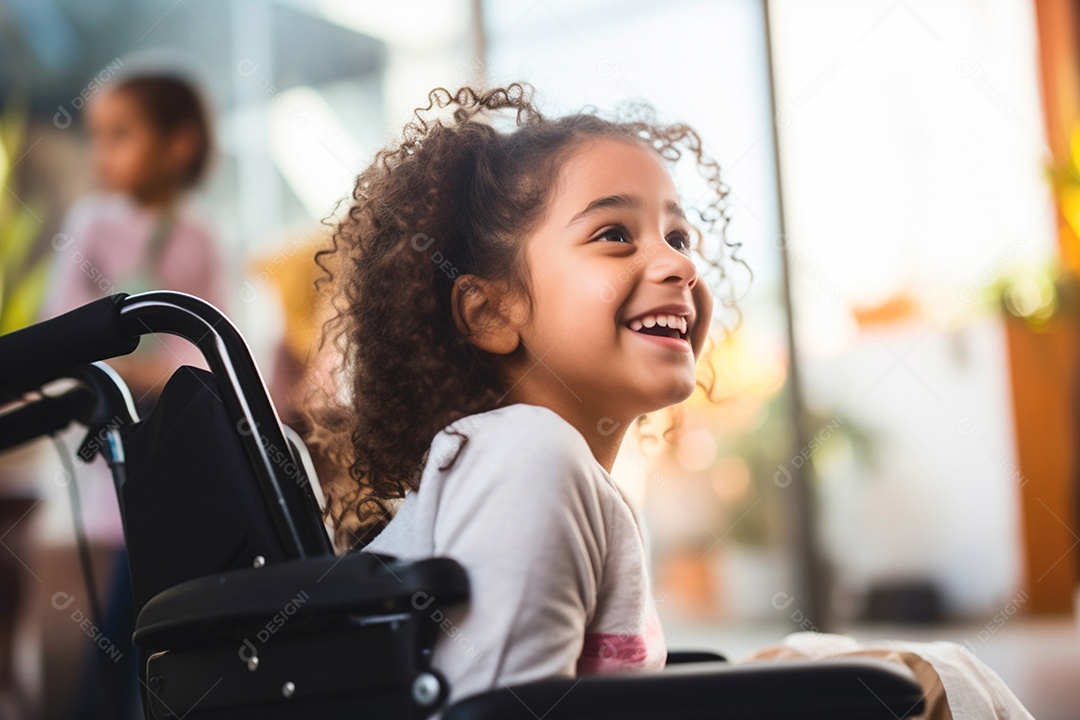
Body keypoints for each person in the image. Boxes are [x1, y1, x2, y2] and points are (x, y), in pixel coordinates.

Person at [301, 82, 1034, 719]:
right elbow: (499, 712)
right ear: (492, 312)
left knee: (881, 666)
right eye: (615, 235)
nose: (679, 261)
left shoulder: (542, 464)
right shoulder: (528, 456)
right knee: (927, 684)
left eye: (680, 235)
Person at [39, 69, 225, 720]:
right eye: (99, 138)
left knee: (155, 608)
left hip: (170, 439)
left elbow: (209, 337)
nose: (103, 153)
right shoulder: (92, 224)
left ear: (177, 145)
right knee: (118, 613)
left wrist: (165, 375)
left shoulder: (201, 235)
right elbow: (63, 321)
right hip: (110, 440)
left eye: (120, 135)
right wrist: (137, 374)